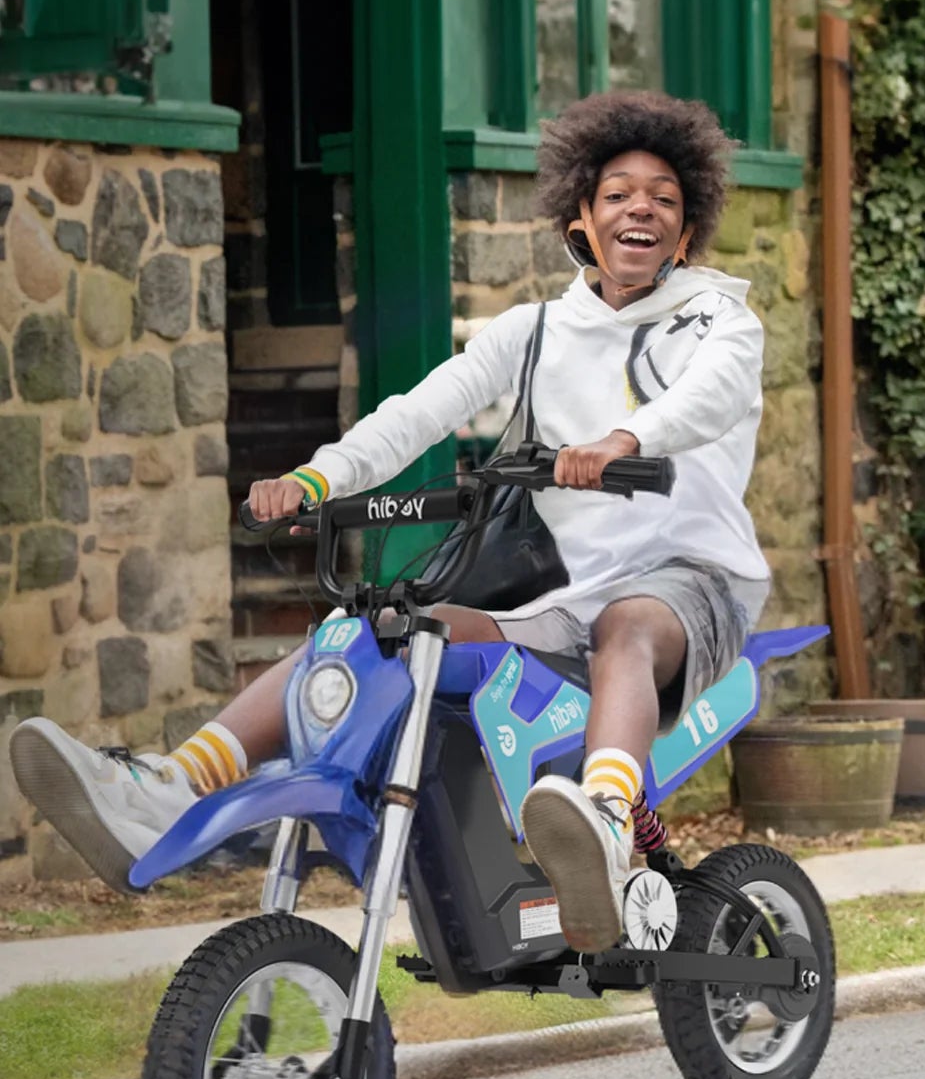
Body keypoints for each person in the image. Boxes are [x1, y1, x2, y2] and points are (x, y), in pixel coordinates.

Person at [10, 90, 769, 953]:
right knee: (379, 631)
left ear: (686, 227)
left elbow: (711, 399)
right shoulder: (532, 331)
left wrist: (625, 438)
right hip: (565, 593)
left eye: (665, 198)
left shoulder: (721, 320)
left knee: (629, 624)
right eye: (619, 193)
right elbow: (417, 412)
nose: (642, 207)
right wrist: (315, 477)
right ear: (582, 220)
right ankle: (172, 788)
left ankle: (600, 824)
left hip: (692, 581)